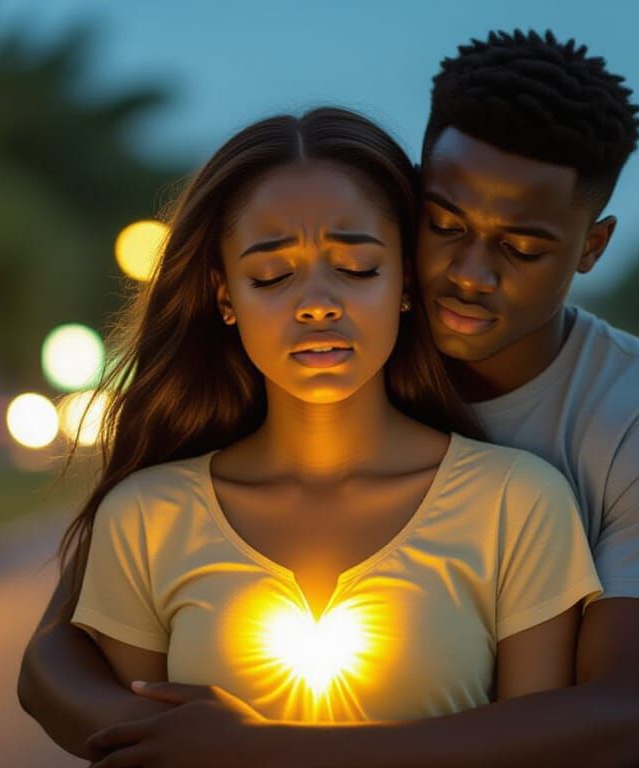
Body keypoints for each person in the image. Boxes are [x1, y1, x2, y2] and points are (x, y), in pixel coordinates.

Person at [20, 30, 639, 767]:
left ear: (592, 245)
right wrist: (166, 741)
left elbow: (631, 720)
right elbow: (58, 653)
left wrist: (269, 754)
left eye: (521, 249)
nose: (469, 275)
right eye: (446, 226)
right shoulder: (310, 349)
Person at [50, 105, 602, 739]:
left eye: (357, 268)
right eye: (272, 275)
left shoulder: (518, 503)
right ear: (224, 294)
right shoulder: (146, 517)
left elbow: (535, 755)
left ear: (404, 281)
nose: (316, 304)